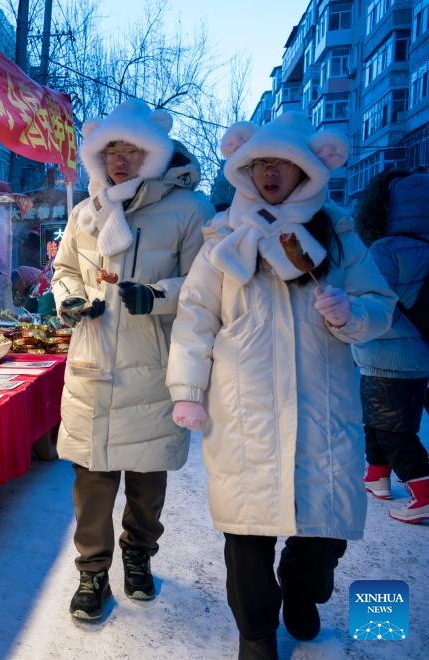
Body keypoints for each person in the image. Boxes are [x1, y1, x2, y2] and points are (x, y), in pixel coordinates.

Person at [165, 112, 396, 658]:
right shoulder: (223, 236)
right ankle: (256, 631)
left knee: (325, 530)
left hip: (323, 406)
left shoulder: (337, 233)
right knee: (246, 533)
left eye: (283, 164)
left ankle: (302, 590)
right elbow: (196, 317)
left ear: (306, 170)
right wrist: (187, 391)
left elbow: (381, 306)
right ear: (244, 168)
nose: (271, 173)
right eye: (260, 163)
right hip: (245, 409)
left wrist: (349, 313)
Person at [50, 99, 214, 621]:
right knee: (92, 479)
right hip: (92, 363)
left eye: (133, 150)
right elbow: (64, 271)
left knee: (147, 478)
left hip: (155, 364)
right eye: (111, 150)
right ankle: (92, 572)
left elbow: (209, 286)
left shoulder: (190, 209)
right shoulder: (85, 212)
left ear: (154, 153)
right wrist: (69, 300)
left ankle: (139, 555)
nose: (120, 160)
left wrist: (158, 294)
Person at [351, 169, 429, 523]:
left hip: (386, 352)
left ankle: (424, 491)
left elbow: (371, 299)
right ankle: (377, 476)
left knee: (391, 427)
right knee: (381, 419)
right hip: (418, 351)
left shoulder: (388, 248)